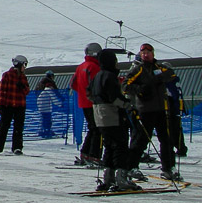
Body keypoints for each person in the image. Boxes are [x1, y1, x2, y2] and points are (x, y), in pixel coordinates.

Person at [122, 43, 179, 181]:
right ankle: (131, 167)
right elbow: (125, 86)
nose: (146, 54)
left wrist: (157, 79)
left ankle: (168, 167)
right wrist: (140, 90)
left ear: (153, 53)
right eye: (143, 53)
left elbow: (171, 74)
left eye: (148, 52)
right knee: (141, 140)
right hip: (145, 110)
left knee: (166, 140)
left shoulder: (159, 68)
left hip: (161, 109)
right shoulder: (138, 70)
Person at [89, 50, 140, 192]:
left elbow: (89, 93)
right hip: (112, 115)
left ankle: (108, 177)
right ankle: (121, 177)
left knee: (109, 146)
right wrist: (127, 104)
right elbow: (114, 98)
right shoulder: (109, 76)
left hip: (99, 115)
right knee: (120, 145)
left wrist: (98, 102)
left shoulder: (97, 76)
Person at [70, 42, 103, 166]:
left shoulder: (81, 66)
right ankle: (94, 155)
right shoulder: (95, 67)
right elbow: (97, 85)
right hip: (94, 103)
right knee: (98, 129)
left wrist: (83, 94)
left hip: (84, 103)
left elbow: (73, 84)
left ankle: (85, 153)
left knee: (92, 128)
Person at [0, 55, 29, 154]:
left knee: (18, 127)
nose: (24, 68)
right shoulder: (7, 75)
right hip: (8, 105)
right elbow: (2, 91)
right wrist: (2, 105)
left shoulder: (23, 77)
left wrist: (22, 86)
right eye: (24, 65)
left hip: (20, 106)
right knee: (3, 126)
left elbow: (27, 91)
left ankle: (17, 147)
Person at [35, 71, 59, 137]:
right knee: (48, 119)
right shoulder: (50, 84)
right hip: (46, 105)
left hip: (40, 103)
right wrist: (61, 101)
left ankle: (43, 130)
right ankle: (47, 131)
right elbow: (55, 94)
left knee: (43, 118)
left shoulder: (40, 82)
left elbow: (36, 92)